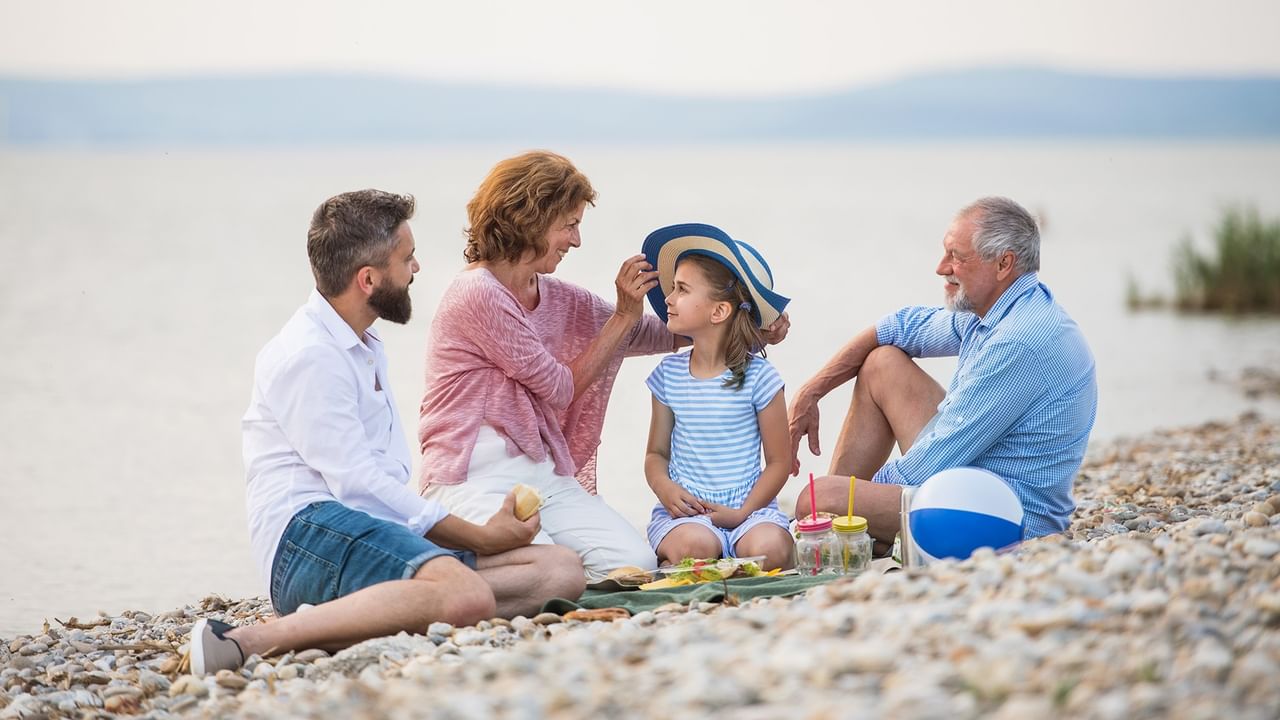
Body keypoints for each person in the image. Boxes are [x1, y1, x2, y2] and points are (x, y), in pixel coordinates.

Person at [190, 189, 584, 676]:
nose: (416, 268)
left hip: (370, 534)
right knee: (464, 594)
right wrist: (479, 538)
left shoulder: (362, 342)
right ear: (368, 279)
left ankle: (364, 616)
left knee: (559, 571)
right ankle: (244, 641)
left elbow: (378, 488)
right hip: (309, 539)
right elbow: (356, 485)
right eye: (407, 258)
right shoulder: (309, 354)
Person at [417, 151, 791, 580]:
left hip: (541, 474)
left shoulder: (557, 296)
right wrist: (622, 316)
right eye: (569, 224)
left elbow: (662, 333)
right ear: (531, 218)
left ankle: (516, 565)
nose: (576, 240)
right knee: (551, 569)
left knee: (636, 565)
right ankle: (440, 558)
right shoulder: (477, 293)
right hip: (471, 474)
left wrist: (756, 325)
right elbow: (559, 388)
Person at [789, 197, 1096, 550]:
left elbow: (928, 466)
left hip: (1005, 516)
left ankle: (834, 533)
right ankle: (838, 537)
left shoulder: (1019, 343)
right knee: (882, 364)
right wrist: (812, 391)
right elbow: (899, 327)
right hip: (975, 480)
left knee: (817, 497)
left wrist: (850, 499)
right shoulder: (997, 309)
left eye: (956, 256)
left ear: (1004, 264)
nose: (940, 267)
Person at [640, 224, 795, 570]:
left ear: (719, 312)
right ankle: (705, 558)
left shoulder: (760, 378)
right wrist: (664, 488)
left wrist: (743, 512)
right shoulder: (668, 376)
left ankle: (721, 561)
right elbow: (656, 452)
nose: (668, 299)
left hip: (750, 508)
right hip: (688, 514)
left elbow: (778, 462)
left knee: (771, 548)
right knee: (696, 544)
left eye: (681, 289)